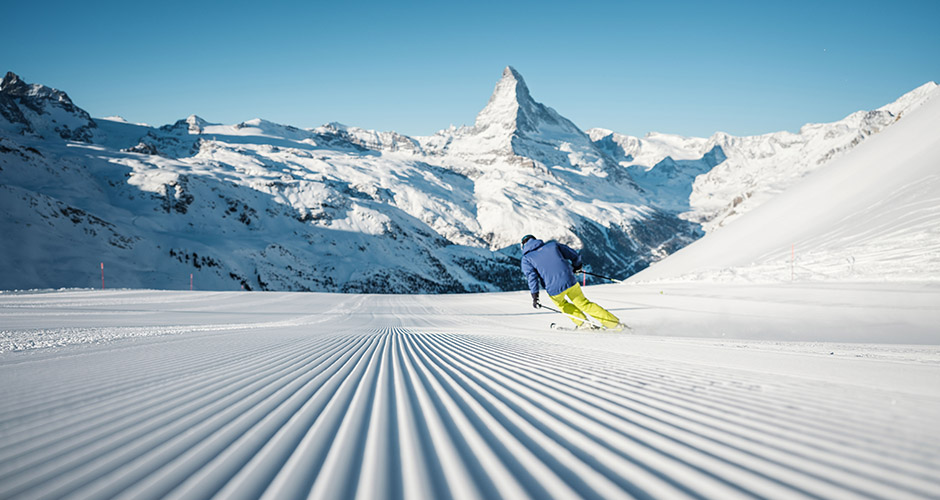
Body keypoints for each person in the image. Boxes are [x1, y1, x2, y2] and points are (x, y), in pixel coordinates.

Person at [520, 234, 624, 331]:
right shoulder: (553, 246)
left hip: (553, 289)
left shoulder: (526, 259)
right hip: (570, 280)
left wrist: (535, 296)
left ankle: (584, 324)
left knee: (563, 305)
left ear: (523, 246)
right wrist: (577, 267)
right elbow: (574, 254)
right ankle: (614, 324)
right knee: (584, 304)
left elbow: (532, 278)